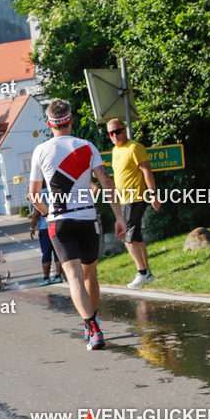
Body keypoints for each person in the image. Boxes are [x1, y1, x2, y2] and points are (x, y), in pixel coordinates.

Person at [29, 99, 126, 350]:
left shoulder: (40, 151)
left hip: (59, 222)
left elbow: (33, 195)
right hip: (87, 219)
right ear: (71, 120)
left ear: (49, 123)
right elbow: (106, 182)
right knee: (90, 274)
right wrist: (119, 217)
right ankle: (91, 324)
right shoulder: (86, 146)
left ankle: (92, 328)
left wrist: (48, 212)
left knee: (73, 277)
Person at [107, 118, 160, 288]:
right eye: (111, 133)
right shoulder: (115, 151)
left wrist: (153, 194)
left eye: (118, 131)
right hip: (124, 199)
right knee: (135, 236)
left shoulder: (135, 147)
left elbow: (146, 170)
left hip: (135, 197)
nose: (115, 135)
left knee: (127, 237)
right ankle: (148, 273)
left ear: (124, 130)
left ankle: (142, 273)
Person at [29, 185, 63, 285]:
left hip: (45, 227)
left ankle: (46, 278)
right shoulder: (54, 190)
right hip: (57, 224)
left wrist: (32, 227)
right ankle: (58, 276)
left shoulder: (39, 194)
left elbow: (36, 213)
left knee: (46, 253)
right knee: (58, 252)